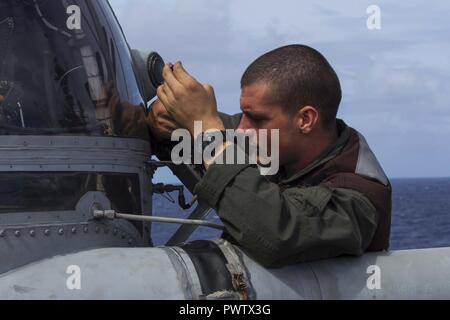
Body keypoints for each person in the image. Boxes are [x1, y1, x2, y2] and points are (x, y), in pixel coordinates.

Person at [147, 44, 392, 268]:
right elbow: (214, 129)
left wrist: (206, 130)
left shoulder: (358, 199)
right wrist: (166, 119)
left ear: (305, 120)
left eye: (256, 118)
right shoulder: (277, 142)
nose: (242, 128)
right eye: (244, 114)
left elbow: (277, 232)